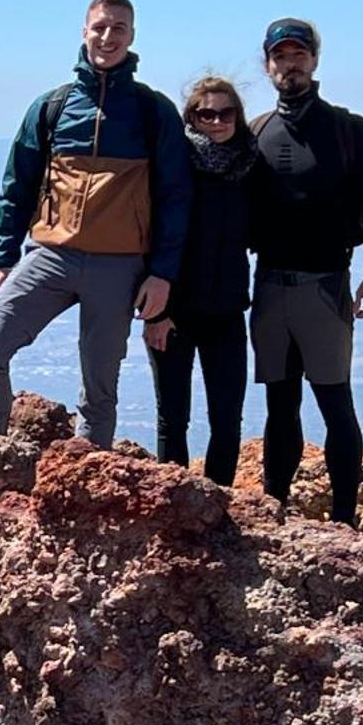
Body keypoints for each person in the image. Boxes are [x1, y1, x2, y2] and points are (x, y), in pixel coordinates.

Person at [0, 0, 190, 444]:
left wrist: (163, 274)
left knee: (99, 391)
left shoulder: (153, 111)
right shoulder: (52, 107)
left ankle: (85, 485)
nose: (108, 37)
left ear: (132, 37)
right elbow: (18, 183)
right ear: (84, 32)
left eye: (119, 29)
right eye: (100, 27)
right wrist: (3, 257)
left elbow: (175, 198)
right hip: (52, 255)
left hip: (120, 263)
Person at [247, 17, 363, 527]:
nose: (291, 64)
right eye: (282, 56)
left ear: (314, 60)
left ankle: (345, 520)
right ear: (268, 65)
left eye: (299, 55)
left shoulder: (347, 129)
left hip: (326, 285)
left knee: (335, 402)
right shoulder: (257, 131)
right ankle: (274, 512)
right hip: (268, 285)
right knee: (279, 406)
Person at [141, 76, 257, 484]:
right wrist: (156, 314)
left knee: (227, 421)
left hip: (226, 311)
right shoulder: (172, 166)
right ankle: (174, 507)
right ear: (191, 116)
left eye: (226, 112)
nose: (217, 121)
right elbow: (148, 239)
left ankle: (220, 508)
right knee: (173, 419)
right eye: (206, 113)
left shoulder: (248, 166)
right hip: (173, 312)